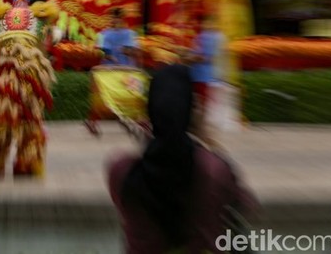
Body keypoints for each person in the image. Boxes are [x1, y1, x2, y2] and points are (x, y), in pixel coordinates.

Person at [107, 64, 257, 254]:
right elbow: (244, 205)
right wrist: (206, 139)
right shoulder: (214, 169)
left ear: (151, 111)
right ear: (191, 111)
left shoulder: (120, 170)